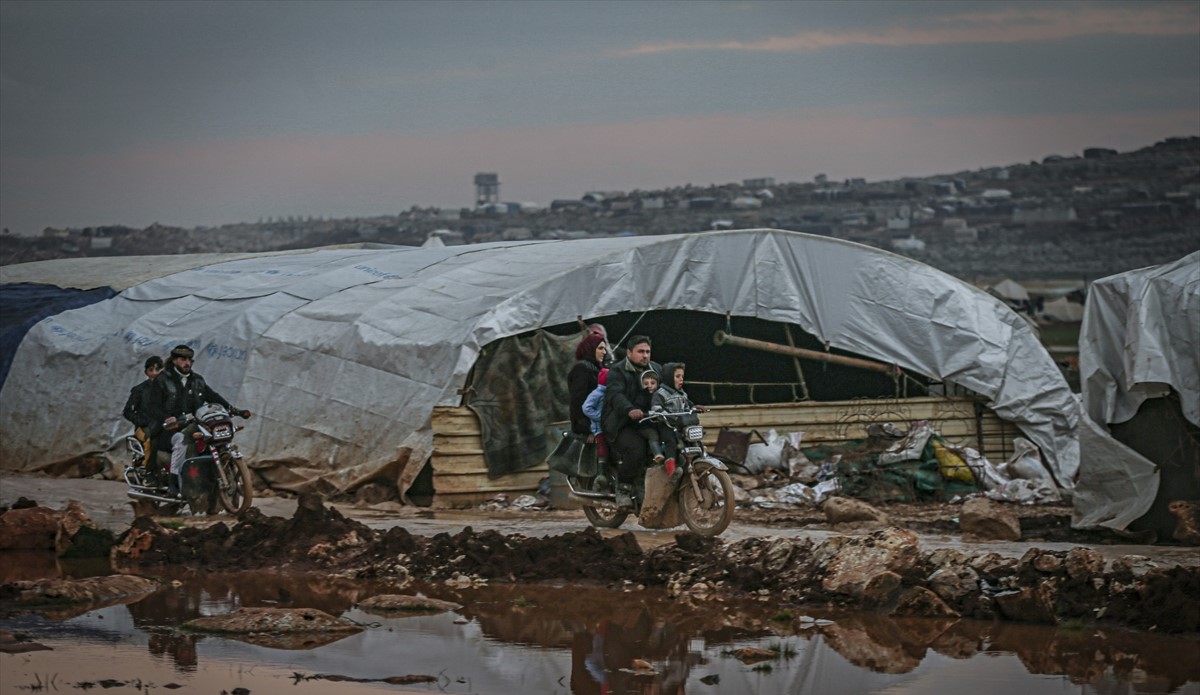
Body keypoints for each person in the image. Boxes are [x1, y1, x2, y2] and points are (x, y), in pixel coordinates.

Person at [146, 344, 247, 496]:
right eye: (182, 359)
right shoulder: (162, 380)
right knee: (181, 440)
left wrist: (233, 410)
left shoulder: (197, 380)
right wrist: (166, 418)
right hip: (169, 429)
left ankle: (212, 481)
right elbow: (152, 407)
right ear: (174, 360)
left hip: (194, 425)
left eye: (189, 360)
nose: (187, 363)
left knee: (213, 438)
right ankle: (174, 483)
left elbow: (212, 396)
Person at [602, 335, 661, 508]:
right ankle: (624, 488)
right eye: (640, 351)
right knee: (637, 448)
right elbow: (615, 395)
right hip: (620, 423)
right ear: (629, 352)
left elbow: (668, 390)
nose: (645, 355)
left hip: (647, 420)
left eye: (648, 352)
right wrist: (629, 410)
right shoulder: (617, 371)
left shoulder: (656, 369)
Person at [650, 362, 706, 476]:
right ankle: (670, 462)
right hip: (668, 426)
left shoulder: (682, 393)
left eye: (682, 377)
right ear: (669, 378)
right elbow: (656, 408)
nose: (681, 380)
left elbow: (688, 404)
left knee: (695, 438)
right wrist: (663, 414)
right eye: (677, 377)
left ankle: (701, 458)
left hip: (682, 425)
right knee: (671, 440)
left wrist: (695, 407)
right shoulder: (660, 393)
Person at [123, 355, 164, 468]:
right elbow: (127, 411)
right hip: (144, 428)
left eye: (158, 369)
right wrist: (142, 421)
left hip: (163, 426)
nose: (155, 373)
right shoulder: (139, 390)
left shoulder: (168, 390)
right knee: (151, 442)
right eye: (151, 370)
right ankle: (147, 470)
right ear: (146, 372)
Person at [568, 332, 608, 441]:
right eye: (600, 348)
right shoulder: (582, 369)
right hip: (589, 428)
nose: (604, 352)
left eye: (604, 349)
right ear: (590, 348)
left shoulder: (596, 368)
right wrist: (587, 429)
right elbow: (578, 402)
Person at [581, 368, 609, 464]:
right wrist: (600, 417)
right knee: (602, 447)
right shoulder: (597, 394)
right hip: (599, 428)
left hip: (607, 426)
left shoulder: (608, 393)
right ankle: (601, 469)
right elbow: (586, 408)